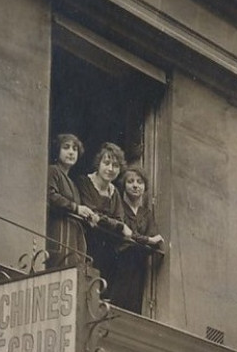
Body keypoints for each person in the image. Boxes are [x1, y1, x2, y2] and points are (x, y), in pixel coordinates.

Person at [78, 142, 133, 290]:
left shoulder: (114, 192)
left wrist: (109, 222)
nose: (110, 169)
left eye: (115, 165)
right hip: (86, 246)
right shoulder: (85, 183)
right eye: (106, 163)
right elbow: (92, 214)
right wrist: (119, 226)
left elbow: (118, 219)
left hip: (107, 253)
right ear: (98, 163)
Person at [109, 165, 164, 313]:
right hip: (120, 262)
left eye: (139, 182)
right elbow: (123, 233)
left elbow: (155, 240)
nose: (135, 185)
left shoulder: (146, 214)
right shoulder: (118, 206)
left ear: (145, 187)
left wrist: (144, 240)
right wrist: (147, 240)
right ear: (124, 185)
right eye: (130, 181)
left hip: (139, 267)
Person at [46, 133, 98, 269]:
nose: (71, 152)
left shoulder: (73, 184)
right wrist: (76, 208)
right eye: (66, 147)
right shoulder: (53, 171)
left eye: (74, 149)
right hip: (58, 234)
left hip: (73, 240)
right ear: (58, 150)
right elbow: (50, 196)